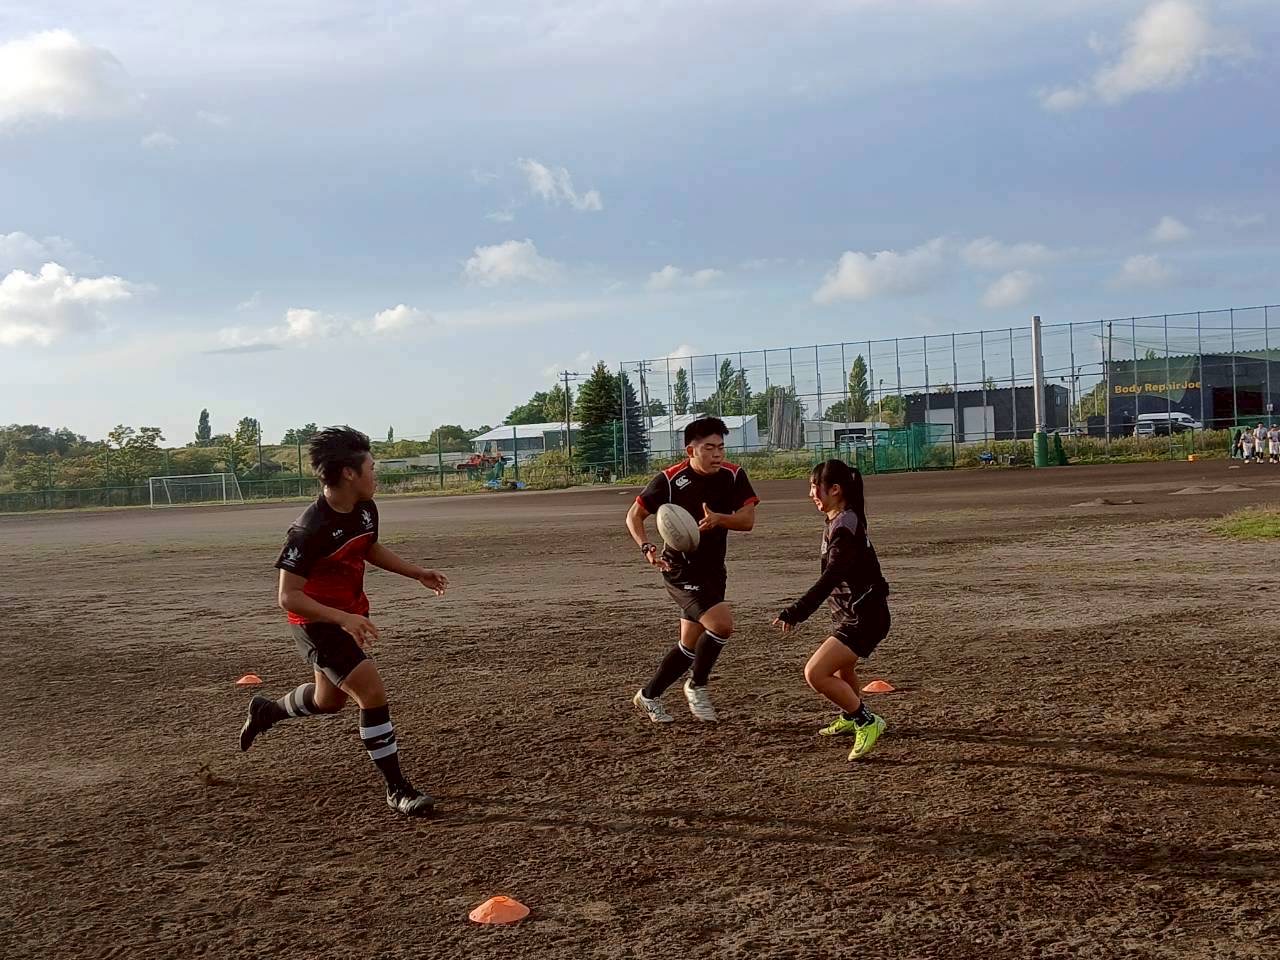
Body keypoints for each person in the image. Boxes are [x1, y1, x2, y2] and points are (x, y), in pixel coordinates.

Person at [238, 426, 448, 817]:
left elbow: (369, 547)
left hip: (349, 614)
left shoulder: (365, 509)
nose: (376, 474)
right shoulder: (308, 529)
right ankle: (398, 789)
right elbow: (288, 596)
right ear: (349, 473)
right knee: (371, 692)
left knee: (328, 701)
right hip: (315, 622)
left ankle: (267, 711)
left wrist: (416, 572)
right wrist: (343, 618)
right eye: (372, 466)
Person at [626, 417, 759, 723]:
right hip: (679, 569)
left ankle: (648, 695)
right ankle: (697, 685)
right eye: (709, 448)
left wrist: (719, 519)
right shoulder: (669, 480)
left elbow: (748, 521)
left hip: (714, 569)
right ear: (691, 451)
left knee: (689, 645)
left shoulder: (734, 475)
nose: (717, 454)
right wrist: (646, 547)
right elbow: (634, 515)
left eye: (721, 447)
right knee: (722, 625)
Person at [773, 459, 891, 761]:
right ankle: (851, 716)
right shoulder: (841, 519)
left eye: (815, 487)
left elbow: (832, 576)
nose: (811, 493)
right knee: (843, 669)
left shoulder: (844, 527)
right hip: (854, 613)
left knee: (815, 673)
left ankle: (866, 720)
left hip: (864, 617)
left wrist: (797, 611)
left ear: (835, 489)